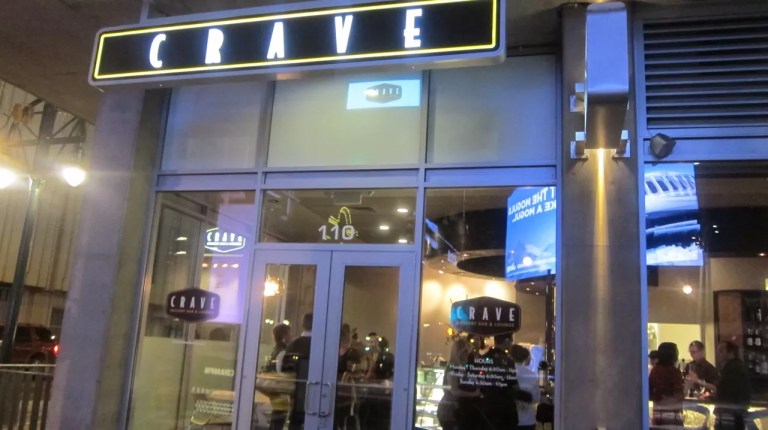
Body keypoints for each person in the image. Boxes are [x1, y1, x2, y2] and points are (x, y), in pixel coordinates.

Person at [281, 312, 313, 430]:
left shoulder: (293, 345)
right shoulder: (321, 345)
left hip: (295, 398)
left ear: (302, 324)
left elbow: (285, 372)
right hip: (315, 397)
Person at [714, 341, 750, 430]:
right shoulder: (736, 366)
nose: (717, 354)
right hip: (734, 415)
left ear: (730, 353)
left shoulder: (732, 368)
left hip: (729, 415)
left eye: (721, 351)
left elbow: (726, 392)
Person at [649, 342, 684, 426]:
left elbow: (650, 392)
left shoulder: (654, 370)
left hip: (657, 412)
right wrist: (687, 387)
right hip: (672, 413)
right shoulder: (675, 372)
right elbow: (678, 396)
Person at [267, 323, 291, 430]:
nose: (290, 336)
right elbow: (280, 371)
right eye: (289, 333)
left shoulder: (275, 350)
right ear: (284, 336)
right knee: (279, 418)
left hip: (274, 389)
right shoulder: (283, 351)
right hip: (280, 390)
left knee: (276, 417)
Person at [511, 345, 540, 430]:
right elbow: (536, 398)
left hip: (510, 418)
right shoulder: (531, 374)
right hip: (528, 419)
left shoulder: (507, 373)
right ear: (525, 357)